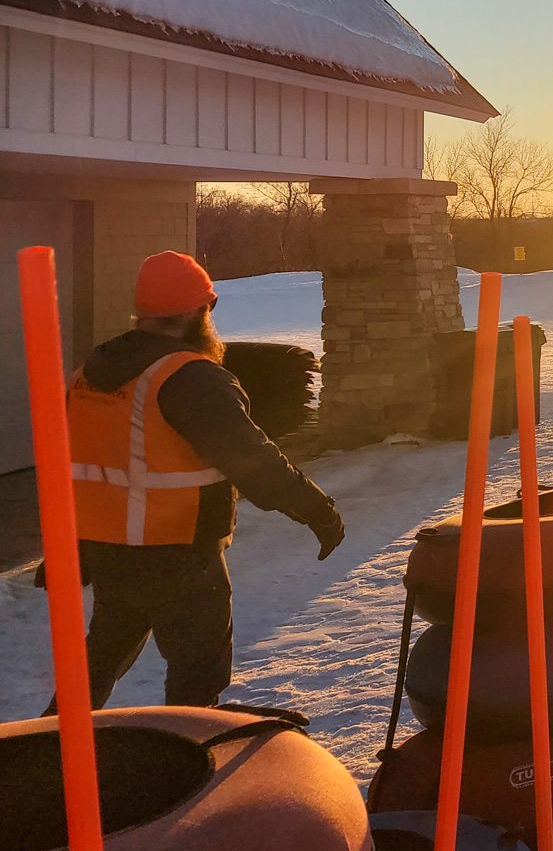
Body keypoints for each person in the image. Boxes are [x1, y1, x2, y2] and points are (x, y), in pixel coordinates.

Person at [60, 252, 343, 710]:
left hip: (110, 552)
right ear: (199, 311)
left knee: (97, 666)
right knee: (197, 678)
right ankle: (186, 762)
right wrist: (318, 511)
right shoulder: (190, 377)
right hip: (179, 555)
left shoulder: (89, 373)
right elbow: (255, 462)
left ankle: (43, 756)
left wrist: (70, 543)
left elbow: (73, 463)